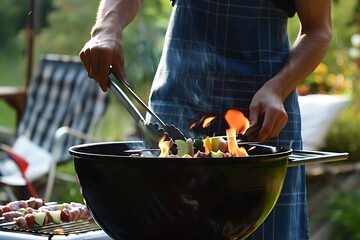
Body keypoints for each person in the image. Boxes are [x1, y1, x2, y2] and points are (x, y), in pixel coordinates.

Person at [79, 0, 332, 239]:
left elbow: (318, 29)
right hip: (176, 110)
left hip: (264, 118)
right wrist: (106, 29)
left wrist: (277, 89)